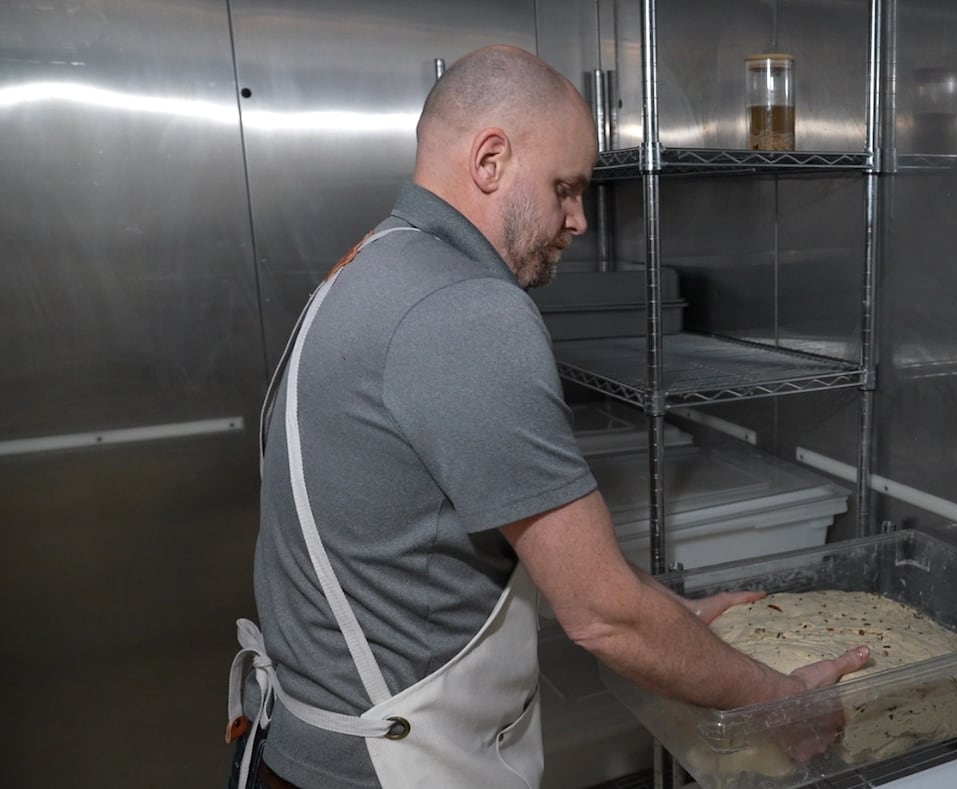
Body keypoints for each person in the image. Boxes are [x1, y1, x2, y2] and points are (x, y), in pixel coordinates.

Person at [226, 44, 871, 789]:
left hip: (298, 748)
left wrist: (671, 613)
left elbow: (555, 541)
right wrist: (781, 703)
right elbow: (603, 615)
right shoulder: (467, 312)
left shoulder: (372, 264)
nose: (580, 220)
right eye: (566, 187)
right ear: (491, 160)